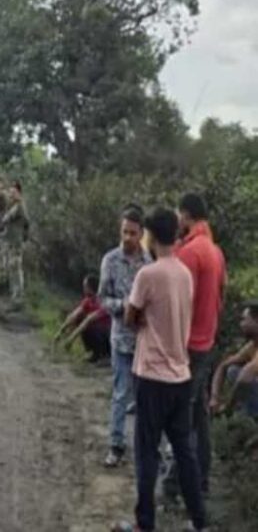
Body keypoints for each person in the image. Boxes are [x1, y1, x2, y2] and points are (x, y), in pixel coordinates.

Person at [119, 206, 207, 532]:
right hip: (180, 374)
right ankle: (200, 521)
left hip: (151, 376)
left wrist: (143, 319)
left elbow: (130, 316)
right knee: (184, 452)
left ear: (149, 236)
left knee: (146, 452)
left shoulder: (148, 274)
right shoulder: (184, 273)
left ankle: (145, 524)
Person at [160, 192, 227, 497]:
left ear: (185, 216)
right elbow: (221, 299)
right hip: (206, 344)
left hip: (186, 346)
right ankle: (201, 481)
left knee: (180, 419)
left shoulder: (190, 253)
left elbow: (177, 304)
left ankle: (174, 487)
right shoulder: (215, 251)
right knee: (197, 416)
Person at [100, 204, 150, 468]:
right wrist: (124, 306)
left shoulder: (149, 263)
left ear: (141, 233)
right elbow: (102, 298)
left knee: (143, 398)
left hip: (144, 340)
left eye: (132, 233)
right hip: (121, 338)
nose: (127, 237)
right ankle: (116, 444)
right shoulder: (110, 260)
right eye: (124, 232)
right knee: (120, 393)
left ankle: (143, 447)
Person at [210, 301, 258, 420]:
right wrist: (214, 398)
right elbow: (223, 366)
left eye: (244, 319)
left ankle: (251, 419)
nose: (241, 324)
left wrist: (228, 407)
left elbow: (245, 376)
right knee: (233, 370)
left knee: (241, 375)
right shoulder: (253, 345)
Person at [52, 273, 111, 362]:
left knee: (87, 324)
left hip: (107, 337)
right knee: (78, 318)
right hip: (98, 334)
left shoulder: (103, 302)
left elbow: (88, 320)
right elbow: (73, 315)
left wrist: (71, 339)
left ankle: (103, 355)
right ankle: (94, 353)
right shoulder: (88, 301)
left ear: (90, 288)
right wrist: (60, 332)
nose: (83, 288)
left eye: (85, 286)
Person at [2, 181, 29, 302]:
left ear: (18, 192)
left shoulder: (19, 206)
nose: (11, 194)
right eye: (10, 192)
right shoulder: (13, 205)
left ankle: (19, 295)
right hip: (11, 240)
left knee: (16, 267)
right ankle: (14, 294)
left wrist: (24, 237)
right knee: (11, 267)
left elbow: (7, 219)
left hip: (16, 241)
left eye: (13, 192)